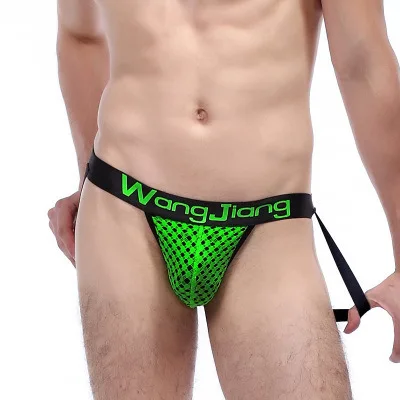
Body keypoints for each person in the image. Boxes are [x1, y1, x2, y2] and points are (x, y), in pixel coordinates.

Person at [48, 0, 400, 399]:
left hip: (268, 222)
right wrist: (86, 175)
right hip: (124, 202)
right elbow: (80, 34)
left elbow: (363, 62)